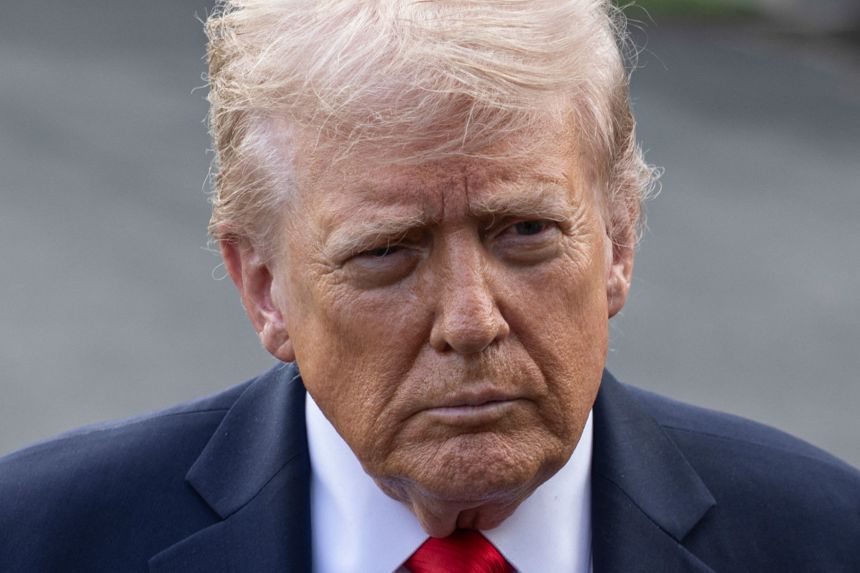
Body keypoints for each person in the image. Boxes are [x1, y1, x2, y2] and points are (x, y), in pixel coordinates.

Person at [1, 1, 858, 571]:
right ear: (264, 288)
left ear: (619, 241)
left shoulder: (822, 536)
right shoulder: (41, 538)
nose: (471, 321)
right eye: (389, 251)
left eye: (525, 231)